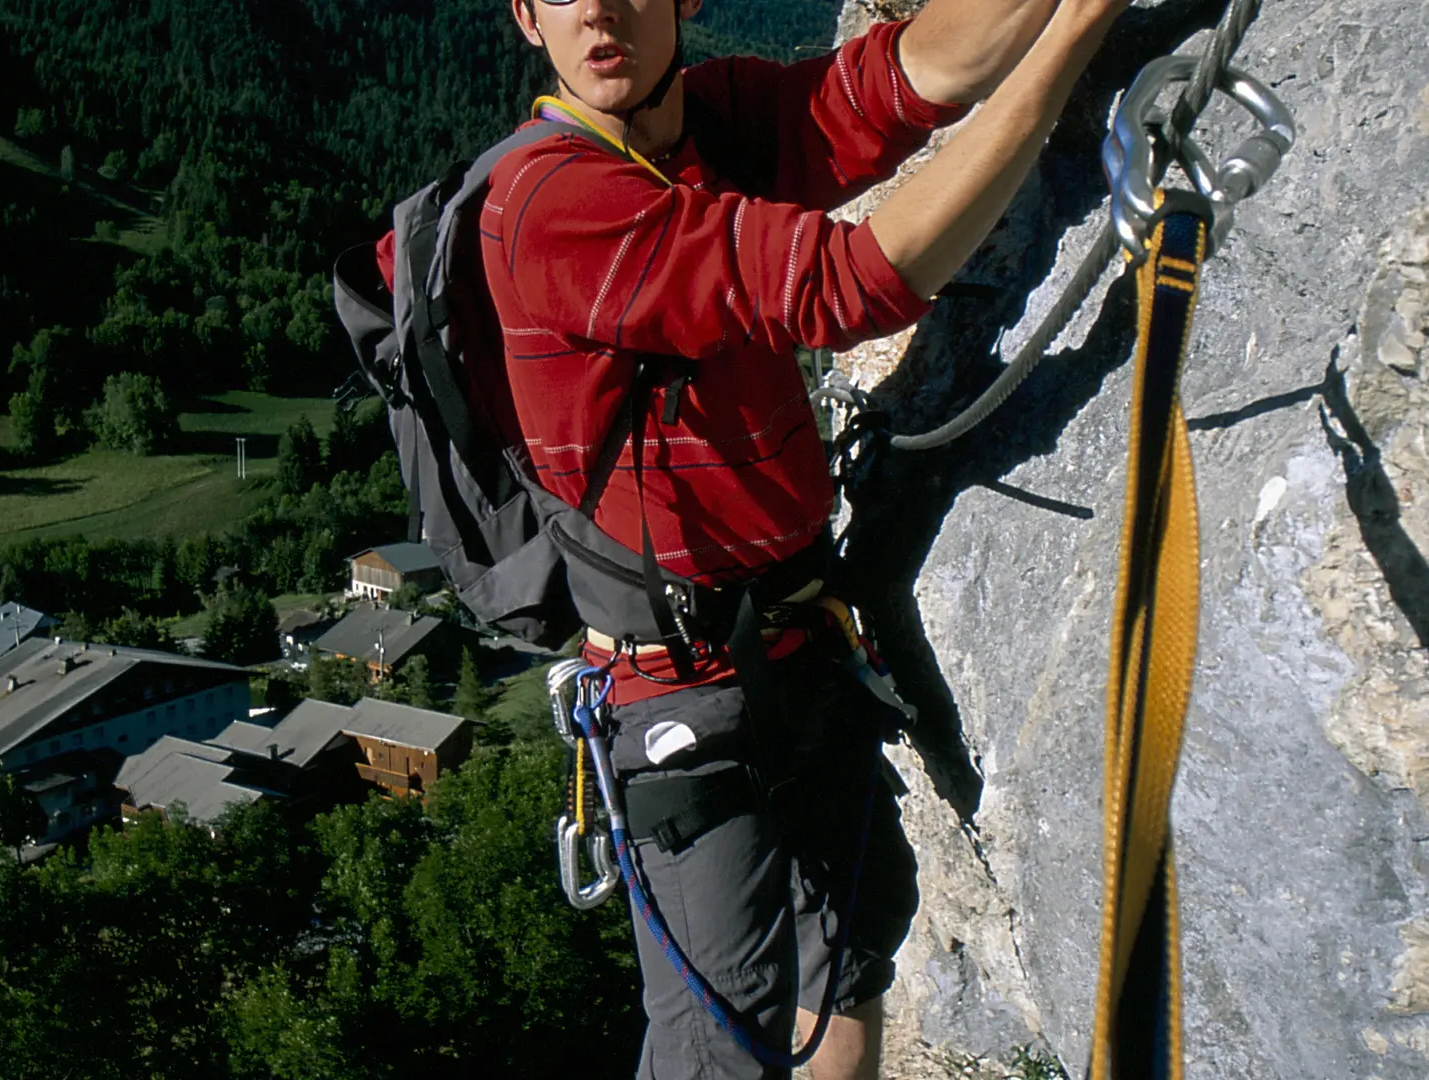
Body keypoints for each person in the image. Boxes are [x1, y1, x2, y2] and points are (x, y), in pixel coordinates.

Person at [374, 1, 1129, 1076]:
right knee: (719, 1044)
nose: (597, 7)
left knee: (851, 956)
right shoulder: (551, 202)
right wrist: (1072, 39)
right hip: (680, 690)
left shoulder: (710, 125)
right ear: (524, 16)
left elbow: (891, 84)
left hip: (795, 637)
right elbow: (848, 282)